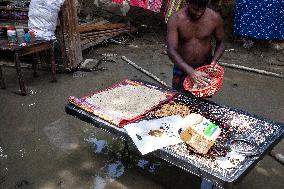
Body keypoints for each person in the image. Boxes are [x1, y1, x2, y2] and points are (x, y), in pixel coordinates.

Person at [167, 0, 225, 93]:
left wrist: (214, 61)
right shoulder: (175, 19)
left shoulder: (215, 18)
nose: (198, 13)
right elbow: (171, 50)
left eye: (202, 9)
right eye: (195, 9)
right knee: (178, 98)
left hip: (204, 66)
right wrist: (191, 72)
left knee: (201, 99)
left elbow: (221, 42)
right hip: (182, 66)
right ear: (188, 3)